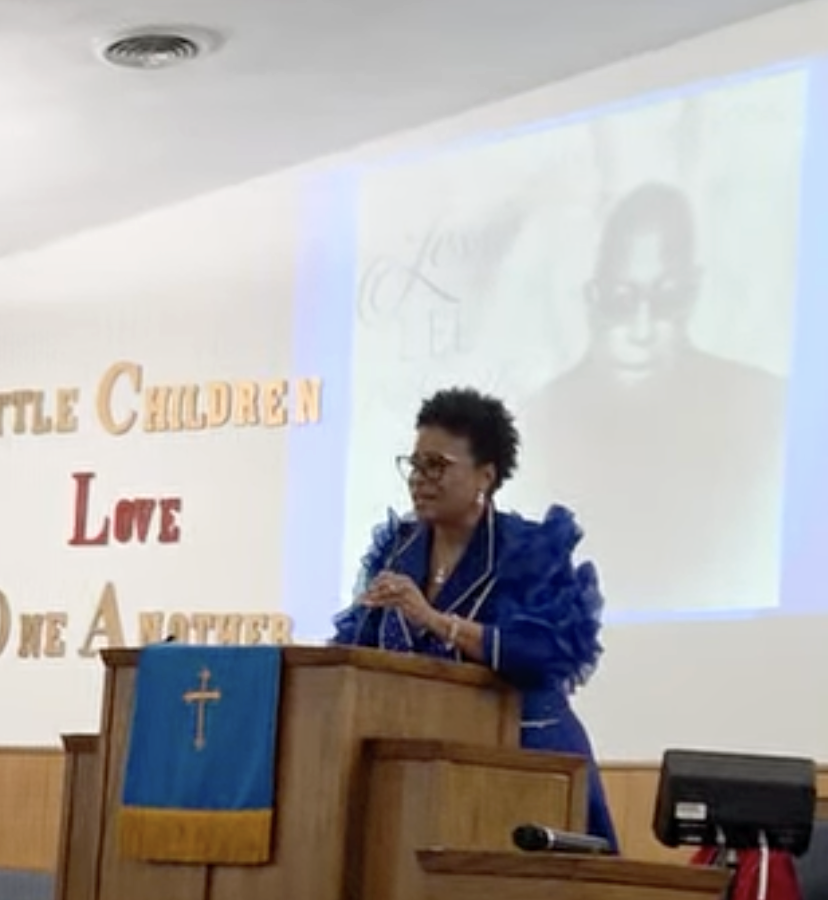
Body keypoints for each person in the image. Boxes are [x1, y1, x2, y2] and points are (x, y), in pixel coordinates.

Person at [331, 386, 618, 851]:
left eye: (437, 465)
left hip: (526, 756)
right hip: (417, 766)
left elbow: (545, 653)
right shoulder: (398, 549)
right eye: (415, 464)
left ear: (485, 475)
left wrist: (434, 620)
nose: (420, 479)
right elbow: (358, 647)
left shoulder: (528, 550)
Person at [522, 181, 787, 613]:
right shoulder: (537, 423)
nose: (642, 329)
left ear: (692, 291)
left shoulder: (764, 408)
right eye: (621, 299)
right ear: (594, 297)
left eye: (666, 298)